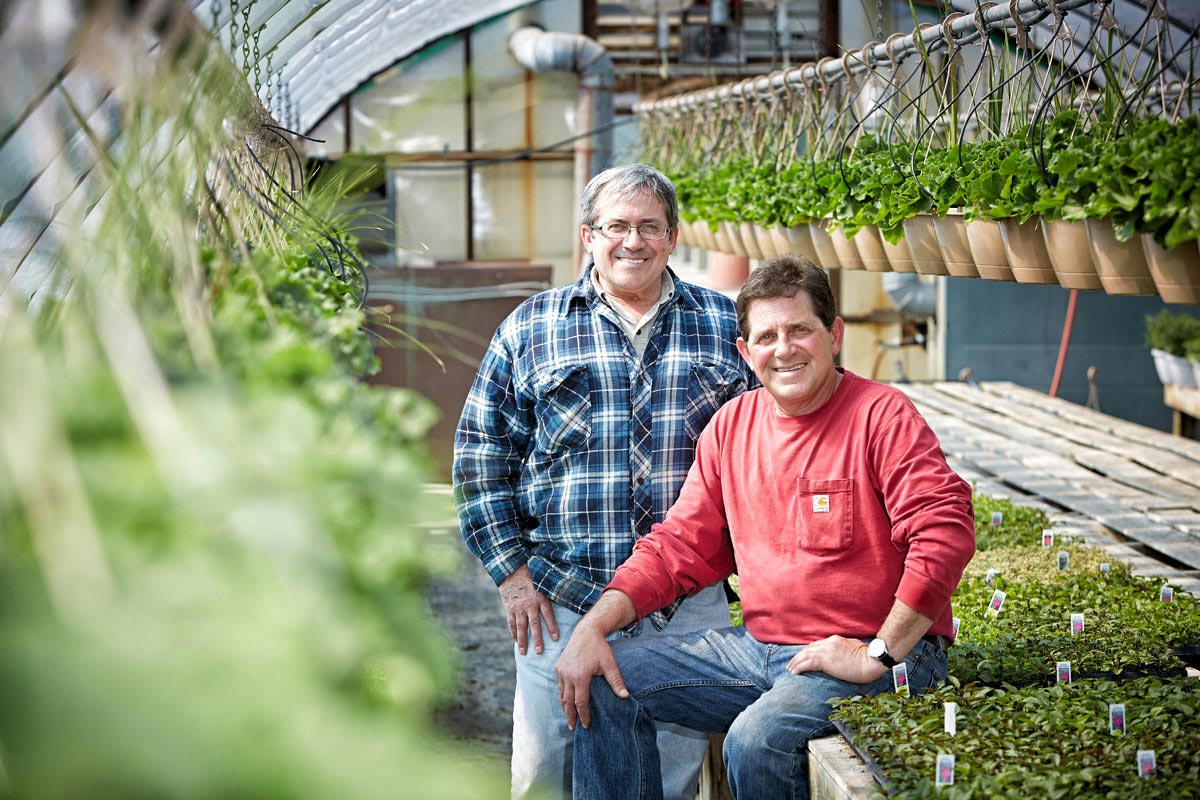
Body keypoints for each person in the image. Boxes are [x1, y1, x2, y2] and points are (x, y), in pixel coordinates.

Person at [555, 256, 976, 800]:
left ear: (834, 335)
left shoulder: (882, 415)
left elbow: (945, 530)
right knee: (604, 678)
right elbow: (679, 545)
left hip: (877, 655)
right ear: (745, 352)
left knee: (756, 742)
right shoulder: (731, 426)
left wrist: (877, 653)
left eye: (800, 329)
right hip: (762, 649)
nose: (784, 348)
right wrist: (593, 626)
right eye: (767, 336)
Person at [453, 163, 756, 799]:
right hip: (561, 598)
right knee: (548, 774)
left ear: (673, 237)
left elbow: (768, 455)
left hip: (683, 603)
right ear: (589, 235)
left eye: (650, 226)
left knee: (668, 776)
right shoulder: (532, 327)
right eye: (616, 226)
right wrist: (512, 579)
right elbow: (481, 455)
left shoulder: (726, 327)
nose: (633, 241)